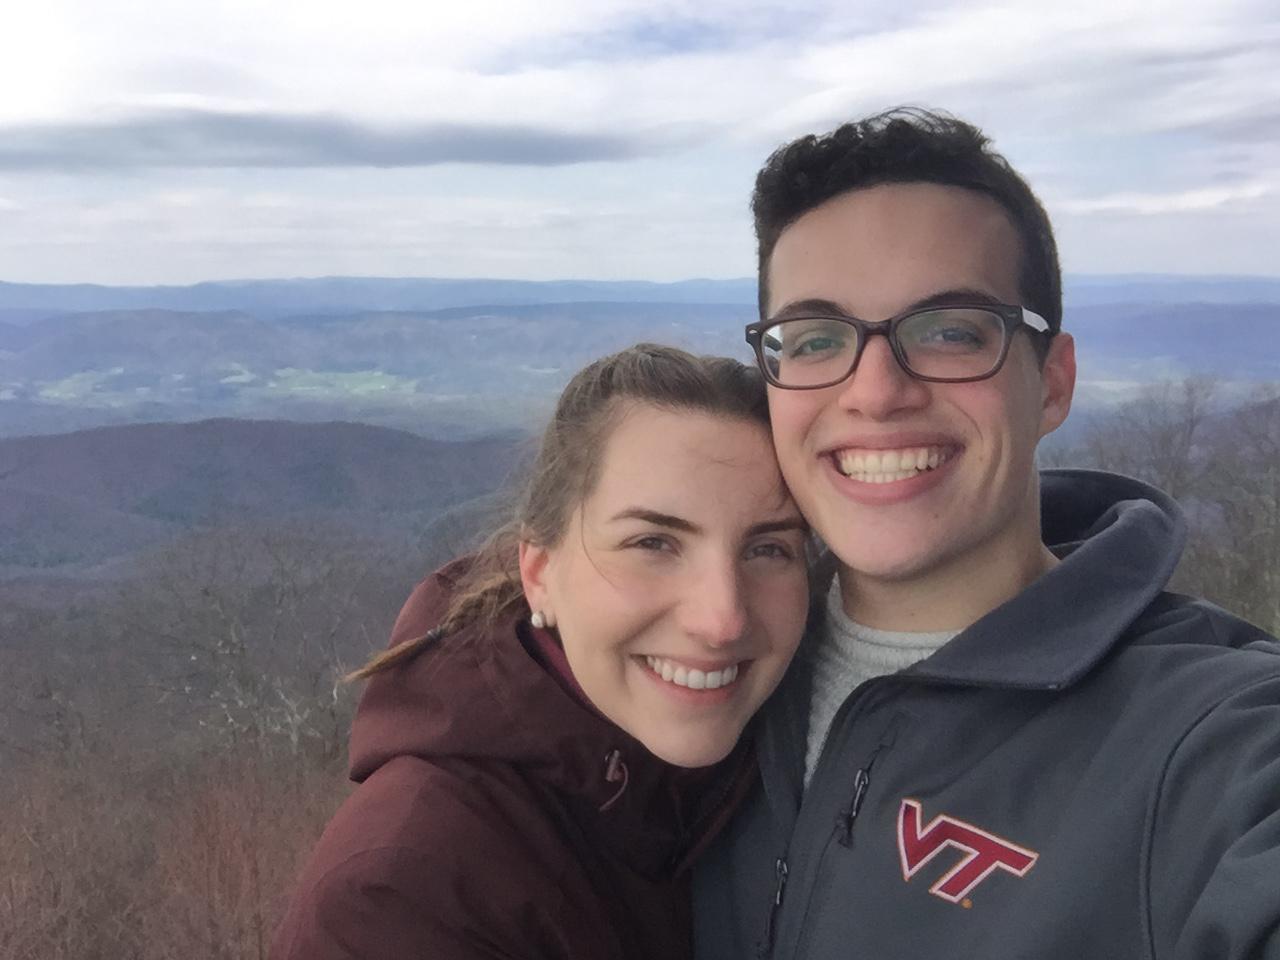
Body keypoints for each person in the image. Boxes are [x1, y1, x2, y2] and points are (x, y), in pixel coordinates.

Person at [693, 109, 1280, 959]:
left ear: (1052, 383)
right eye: (817, 338)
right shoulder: (710, 662)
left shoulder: (1210, 742)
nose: (876, 391)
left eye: (951, 331)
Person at [270, 343, 811, 960]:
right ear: (540, 573)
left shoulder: (775, 772)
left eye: (768, 549)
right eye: (653, 543)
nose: (723, 619)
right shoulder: (403, 898)